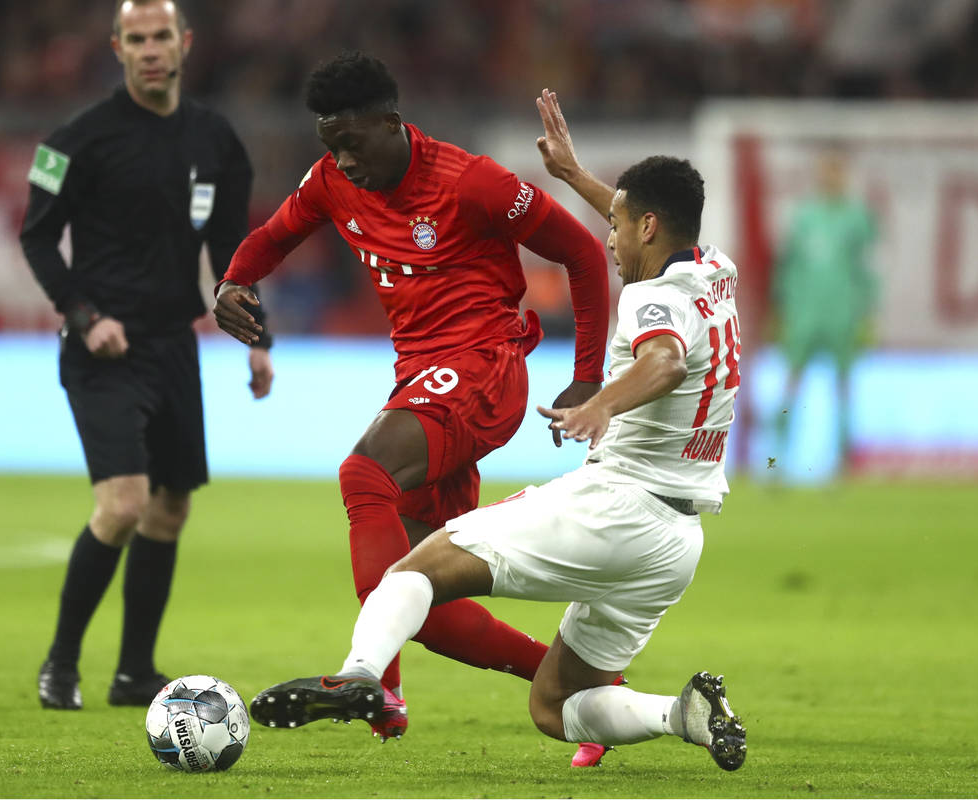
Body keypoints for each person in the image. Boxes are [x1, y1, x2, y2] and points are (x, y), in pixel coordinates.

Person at [247, 91, 748, 774]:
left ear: (650, 226)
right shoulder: (716, 272)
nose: (609, 238)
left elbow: (662, 360)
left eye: (620, 226)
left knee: (411, 570)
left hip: (616, 506)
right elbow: (638, 228)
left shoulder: (651, 298)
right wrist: (572, 176)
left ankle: (366, 675)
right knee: (556, 705)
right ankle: (680, 713)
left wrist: (602, 401)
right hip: (676, 543)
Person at [213, 53, 611, 743]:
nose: (344, 159)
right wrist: (232, 283)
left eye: (354, 142)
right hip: (422, 380)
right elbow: (273, 238)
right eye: (329, 145)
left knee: (362, 472)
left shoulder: (472, 182)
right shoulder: (332, 181)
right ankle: (581, 681)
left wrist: (587, 373)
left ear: (392, 124)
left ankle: (371, 680)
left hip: (484, 367)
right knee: (418, 585)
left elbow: (581, 250)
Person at [18, 0, 273, 711]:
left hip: (172, 346)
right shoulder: (77, 140)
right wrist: (83, 314)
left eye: (162, 36)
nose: (151, 49)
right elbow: (36, 237)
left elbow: (231, 251)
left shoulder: (216, 140)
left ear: (185, 44)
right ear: (118, 48)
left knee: (169, 511)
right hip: (101, 347)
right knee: (124, 504)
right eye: (137, 39)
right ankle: (60, 665)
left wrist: (258, 339)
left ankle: (134, 673)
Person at [772, 145, 877, 472]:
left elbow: (868, 269)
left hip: (842, 312)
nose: (831, 177)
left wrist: (869, 312)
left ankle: (844, 460)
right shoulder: (804, 216)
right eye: (826, 170)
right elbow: (788, 266)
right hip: (804, 312)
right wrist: (781, 309)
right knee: (791, 382)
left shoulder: (858, 218)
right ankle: (776, 456)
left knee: (843, 384)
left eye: (837, 171)